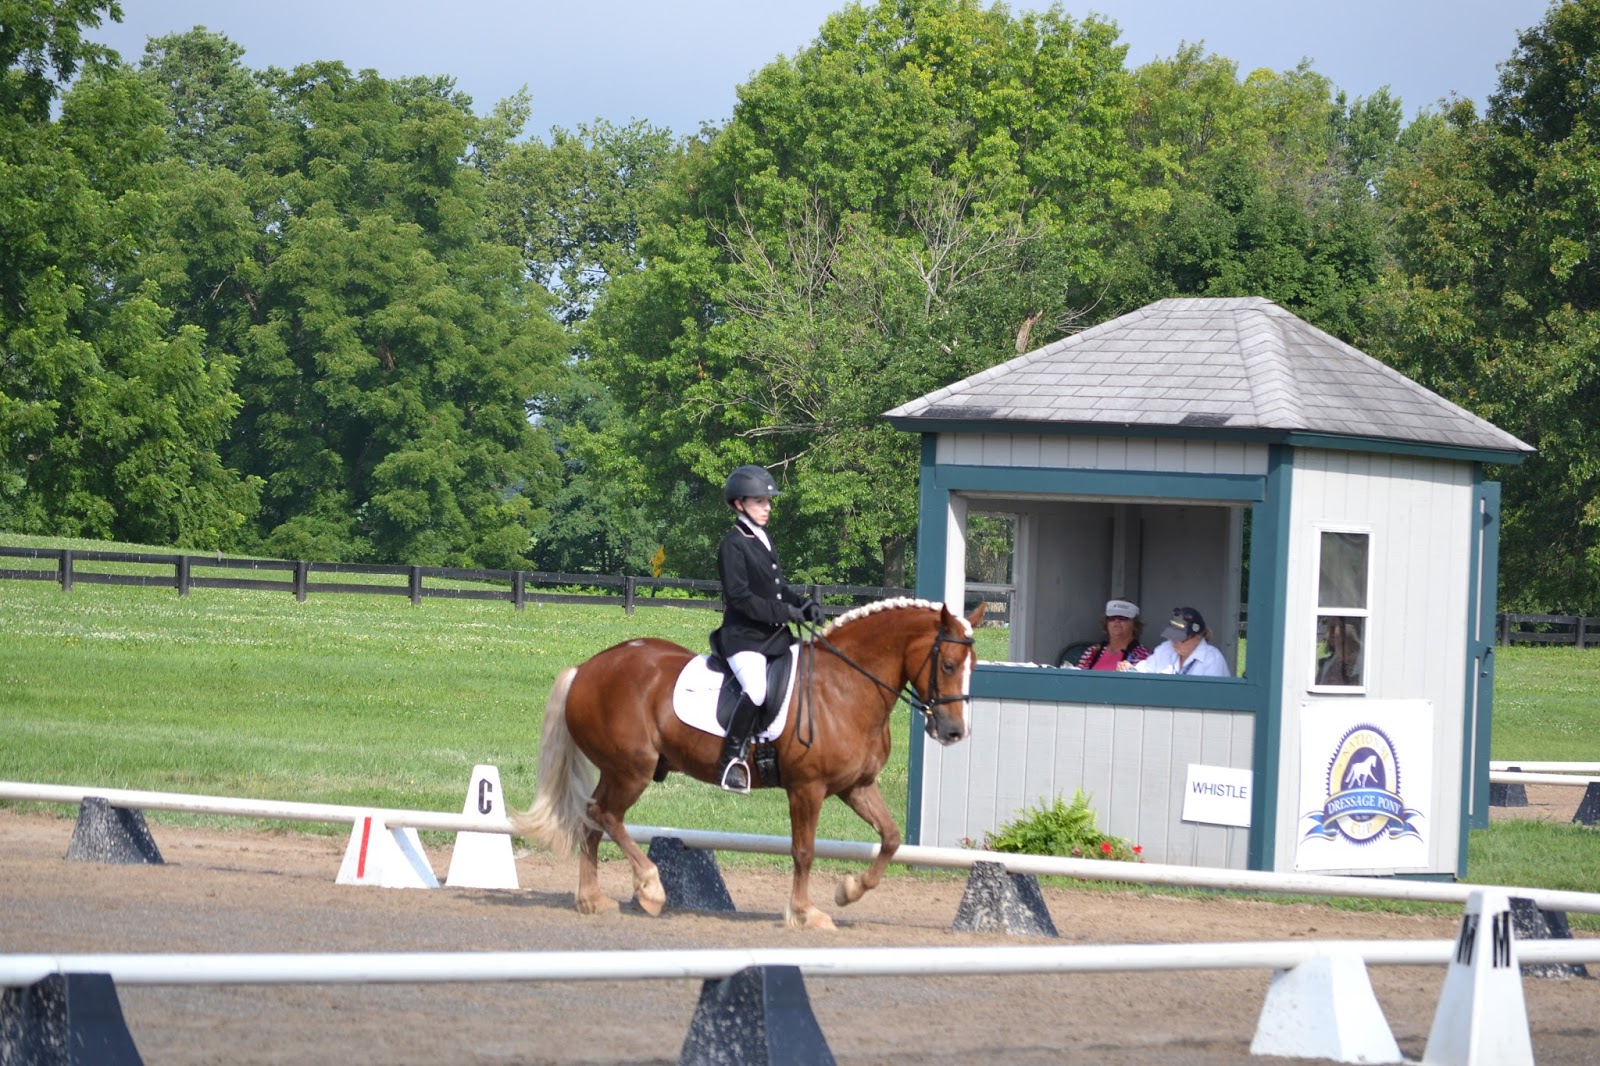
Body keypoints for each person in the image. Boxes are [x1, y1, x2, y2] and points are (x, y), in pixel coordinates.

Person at [711, 464, 825, 794]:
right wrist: (785, 611)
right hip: (743, 638)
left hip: (772, 637)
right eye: (760, 501)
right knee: (758, 690)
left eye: (768, 501)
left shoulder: (761, 538)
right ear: (739, 504)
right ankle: (731, 761)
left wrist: (803, 604)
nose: (768, 507)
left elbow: (777, 588)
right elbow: (742, 598)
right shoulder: (732, 545)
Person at [1127, 606, 1230, 677]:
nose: (1174, 642)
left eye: (1180, 638)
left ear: (1197, 637)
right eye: (1172, 636)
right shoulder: (1165, 649)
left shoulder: (1212, 659)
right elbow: (1145, 670)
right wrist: (1130, 669)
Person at [1076, 598, 1151, 671]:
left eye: (1123, 618)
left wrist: (1131, 670)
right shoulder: (1093, 651)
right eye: (1112, 618)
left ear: (1134, 624)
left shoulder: (1143, 654)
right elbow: (1078, 678)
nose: (1117, 621)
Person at [1316, 616, 1363, 686]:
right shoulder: (1326, 663)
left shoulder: (1363, 665)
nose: (1328, 635)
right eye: (1329, 629)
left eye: (1333, 628)